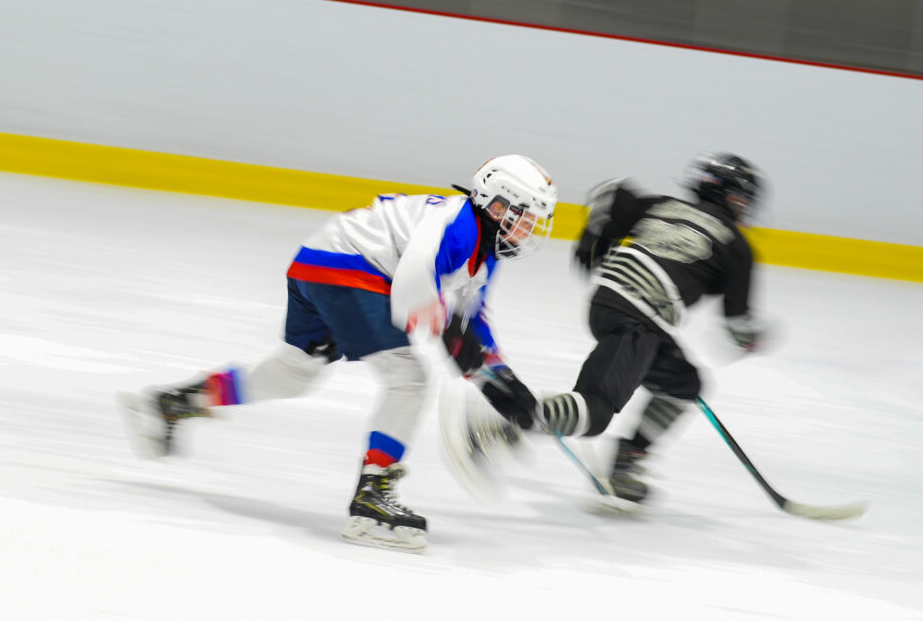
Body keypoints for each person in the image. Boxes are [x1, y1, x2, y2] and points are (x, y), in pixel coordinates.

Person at [120, 154, 558, 551]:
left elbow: (471, 319)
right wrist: (470, 361)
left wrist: (503, 382)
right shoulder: (458, 225)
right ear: (497, 206)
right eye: (525, 217)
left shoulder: (485, 247)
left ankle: (175, 403)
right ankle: (372, 496)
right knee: (408, 380)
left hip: (319, 260)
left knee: (294, 372)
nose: (529, 229)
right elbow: (413, 293)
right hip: (351, 269)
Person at [441, 152, 767, 505]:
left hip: (608, 303)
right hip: (640, 320)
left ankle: (628, 461)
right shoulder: (737, 246)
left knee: (685, 383)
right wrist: (752, 338)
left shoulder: (665, 205)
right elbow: (737, 326)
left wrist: (594, 239)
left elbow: (613, 194)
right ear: (735, 197)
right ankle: (507, 424)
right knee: (594, 411)